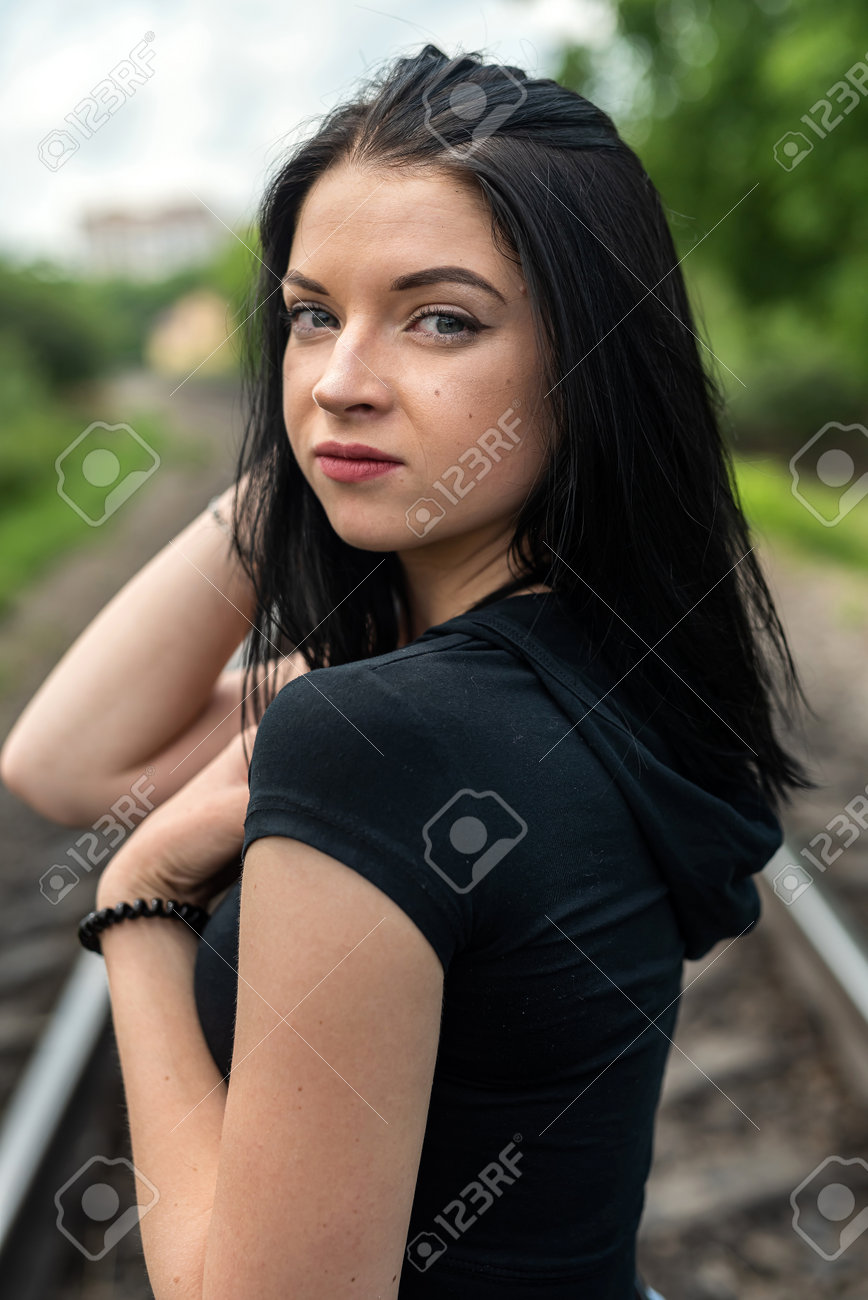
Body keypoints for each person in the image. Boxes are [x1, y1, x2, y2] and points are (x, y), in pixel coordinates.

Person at [1, 43, 817, 1300]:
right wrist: (331, 441)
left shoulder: (381, 733)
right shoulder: (603, 669)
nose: (338, 377)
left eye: (442, 318)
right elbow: (64, 762)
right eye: (311, 313)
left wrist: (142, 908)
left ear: (592, 361)